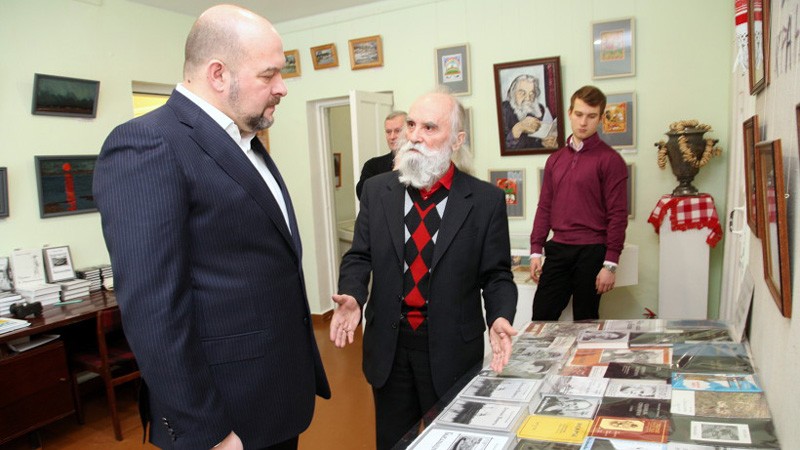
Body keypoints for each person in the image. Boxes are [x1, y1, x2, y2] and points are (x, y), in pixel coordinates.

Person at [93, 5, 330, 450]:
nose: (282, 87)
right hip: (223, 418)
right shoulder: (148, 143)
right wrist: (209, 432)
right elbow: (154, 311)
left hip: (273, 398)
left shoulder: (243, 139)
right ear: (218, 74)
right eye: (269, 74)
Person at [329, 91, 518, 450]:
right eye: (412, 125)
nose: (414, 136)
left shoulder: (484, 200)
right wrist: (353, 293)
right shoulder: (376, 191)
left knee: (450, 443)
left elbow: (496, 275)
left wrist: (499, 316)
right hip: (390, 347)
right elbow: (359, 256)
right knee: (393, 442)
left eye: (430, 127)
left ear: (457, 140)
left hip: (451, 348)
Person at [529, 85, 628, 321]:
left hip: (593, 251)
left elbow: (618, 214)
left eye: (591, 116)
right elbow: (545, 207)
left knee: (586, 322)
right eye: (579, 114)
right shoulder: (555, 160)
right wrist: (535, 250)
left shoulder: (611, 160)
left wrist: (610, 264)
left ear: (600, 119)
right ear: (570, 113)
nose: (584, 122)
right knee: (541, 319)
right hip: (558, 249)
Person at [355, 111, 407, 199]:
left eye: (397, 131)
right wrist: (395, 171)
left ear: (409, 131)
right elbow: (363, 195)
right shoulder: (372, 166)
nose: (392, 137)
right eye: (388, 132)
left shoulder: (421, 163)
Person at [500, 74, 558, 150]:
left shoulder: (540, 109)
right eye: (522, 93)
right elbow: (500, 147)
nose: (528, 98)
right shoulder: (503, 110)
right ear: (512, 94)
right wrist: (519, 128)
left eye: (531, 93)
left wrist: (548, 143)